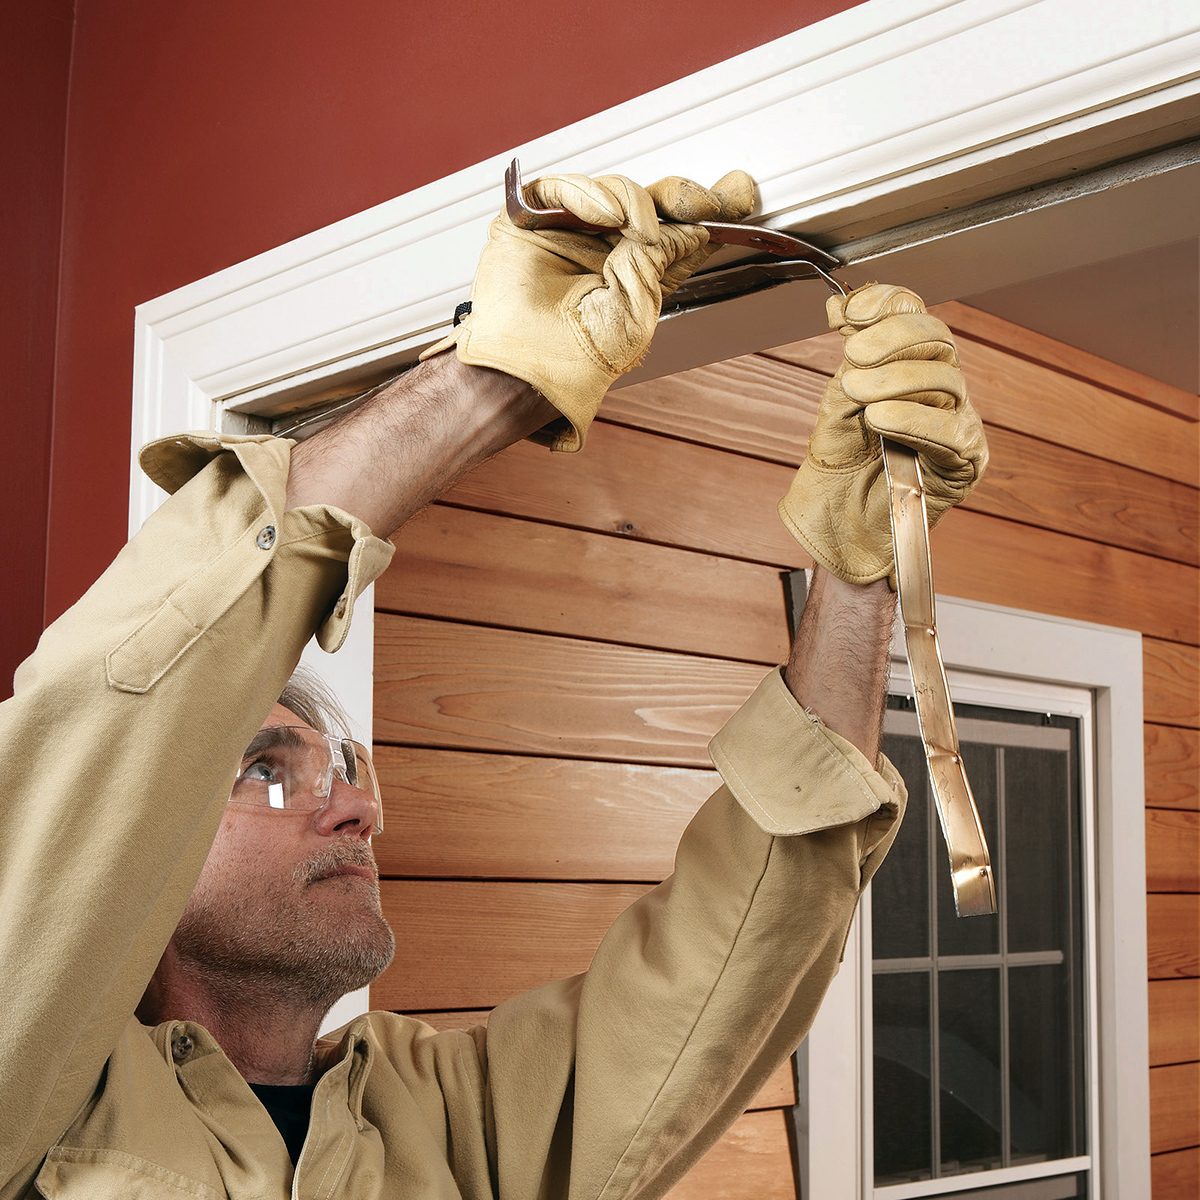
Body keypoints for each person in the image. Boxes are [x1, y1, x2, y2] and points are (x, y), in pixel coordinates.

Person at [0, 168, 986, 1198]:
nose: (357, 810)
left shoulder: (449, 1119)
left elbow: (729, 963)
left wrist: (864, 571)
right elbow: (108, 715)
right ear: (138, 831)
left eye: (341, 769)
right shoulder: (42, 1099)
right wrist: (494, 378)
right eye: (265, 770)